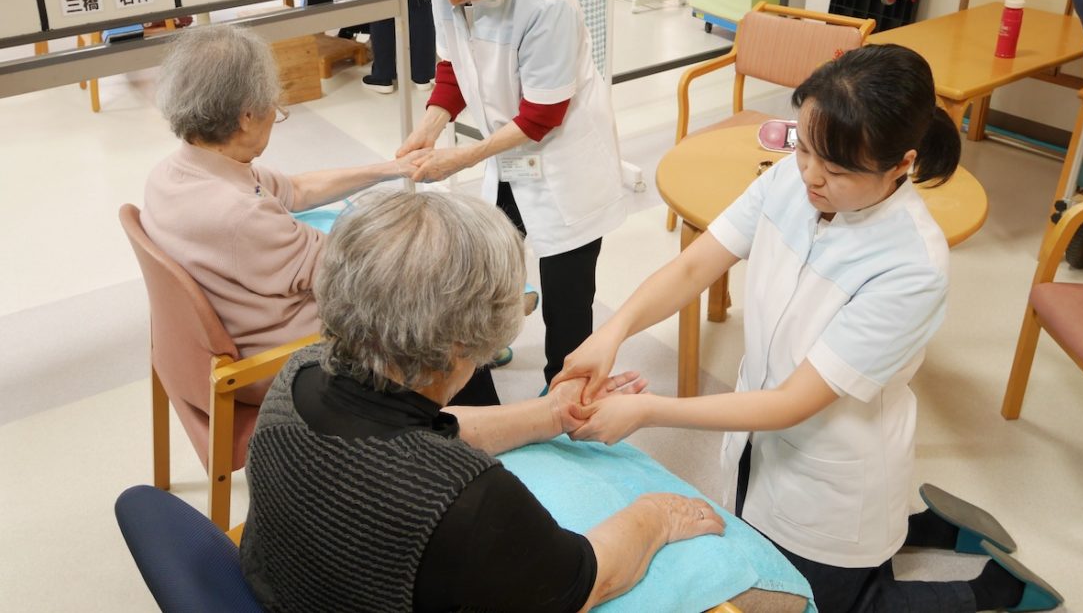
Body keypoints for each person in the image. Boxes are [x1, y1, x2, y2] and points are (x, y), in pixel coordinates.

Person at [552, 46, 1063, 613]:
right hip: (759, 437)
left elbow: (794, 402)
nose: (812, 177)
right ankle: (936, 527)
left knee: (827, 605)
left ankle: (994, 589)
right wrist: (614, 330)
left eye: (838, 170)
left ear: (901, 164)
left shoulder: (913, 266)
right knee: (756, 548)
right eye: (804, 147)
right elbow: (698, 265)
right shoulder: (789, 183)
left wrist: (649, 411)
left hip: (830, 469)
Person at [240, 191, 725, 612]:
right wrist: (658, 516)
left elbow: (427, 431)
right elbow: (586, 581)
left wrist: (553, 413)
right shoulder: (464, 498)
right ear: (462, 342)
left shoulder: (300, 372)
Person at [398, 0, 628, 389]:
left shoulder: (547, 2)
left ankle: (564, 389)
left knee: (567, 294)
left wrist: (460, 159)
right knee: (483, 268)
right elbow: (454, 66)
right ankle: (484, 343)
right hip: (510, 157)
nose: (450, 2)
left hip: (562, 161)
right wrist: (428, 128)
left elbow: (542, 116)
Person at [141, 24, 425, 402]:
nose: (275, 114)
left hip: (200, 357)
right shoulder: (240, 214)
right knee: (425, 305)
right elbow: (354, 273)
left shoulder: (172, 174)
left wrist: (392, 169)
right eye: (274, 106)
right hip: (282, 366)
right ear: (245, 116)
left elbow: (297, 189)